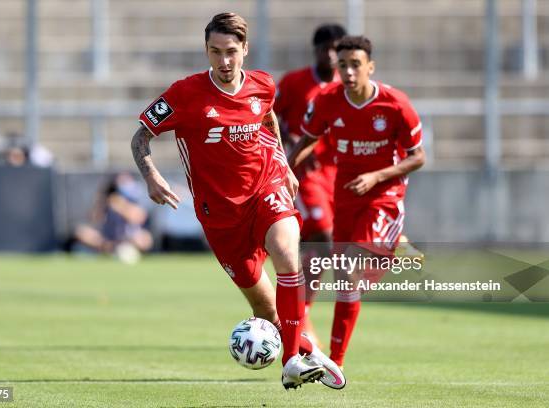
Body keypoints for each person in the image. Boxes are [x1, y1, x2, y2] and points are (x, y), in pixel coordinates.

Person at [130, 13, 345, 390]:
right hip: (220, 216)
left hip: (266, 189)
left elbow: (269, 119)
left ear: (245, 49)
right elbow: (140, 138)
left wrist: (284, 163)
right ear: (206, 51)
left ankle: (292, 360)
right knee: (265, 310)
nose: (224, 61)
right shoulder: (184, 93)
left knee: (287, 253)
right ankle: (307, 349)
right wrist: (151, 176)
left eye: (231, 51)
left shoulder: (263, 84)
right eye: (215, 52)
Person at [289, 35, 426, 368]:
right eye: (343, 65)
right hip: (345, 194)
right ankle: (335, 362)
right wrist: (287, 172)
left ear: (370, 67)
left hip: (384, 194)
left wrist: (378, 176)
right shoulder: (327, 100)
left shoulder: (395, 104)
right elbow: (307, 139)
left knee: (348, 268)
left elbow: (418, 156)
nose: (349, 72)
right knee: (346, 278)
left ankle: (335, 360)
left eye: (356, 65)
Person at [274, 23, 346, 346]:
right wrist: (291, 142)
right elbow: (269, 118)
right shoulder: (294, 83)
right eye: (324, 48)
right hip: (304, 172)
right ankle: (297, 315)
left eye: (336, 48)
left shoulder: (347, 85)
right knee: (323, 238)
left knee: (327, 246)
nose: (330, 54)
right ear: (315, 50)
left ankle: (295, 311)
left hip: (338, 174)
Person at [74, 172, 153, 264]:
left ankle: (114, 249)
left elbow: (138, 217)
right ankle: (110, 249)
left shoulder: (132, 200)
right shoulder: (107, 201)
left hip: (127, 238)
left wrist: (120, 206)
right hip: (107, 239)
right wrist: (102, 202)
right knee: (82, 232)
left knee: (144, 238)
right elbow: (93, 218)